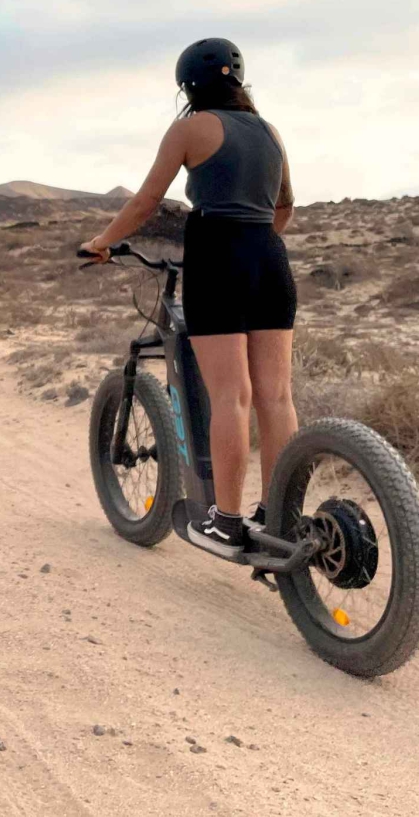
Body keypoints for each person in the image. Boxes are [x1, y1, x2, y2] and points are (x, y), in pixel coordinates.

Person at [79, 38, 297, 557]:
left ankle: (225, 520)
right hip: (270, 257)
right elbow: (285, 207)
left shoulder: (189, 129)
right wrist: (257, 243)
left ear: (188, 86)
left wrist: (101, 244)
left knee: (231, 394)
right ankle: (281, 511)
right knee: (277, 395)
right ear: (238, 80)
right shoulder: (271, 132)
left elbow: (148, 199)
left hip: (218, 257)